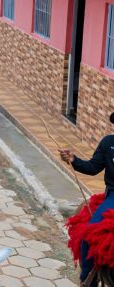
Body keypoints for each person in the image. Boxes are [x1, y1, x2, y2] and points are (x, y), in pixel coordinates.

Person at [59, 113, 114, 284]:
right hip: (113, 197)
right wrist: (74, 160)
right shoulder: (108, 142)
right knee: (90, 235)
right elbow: (93, 167)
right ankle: (87, 280)